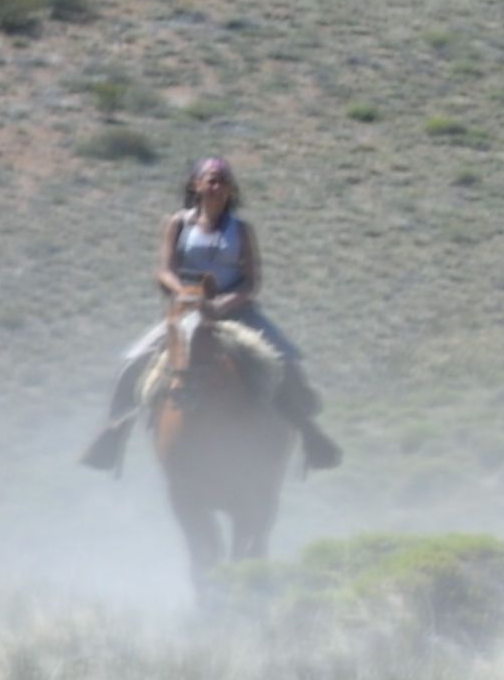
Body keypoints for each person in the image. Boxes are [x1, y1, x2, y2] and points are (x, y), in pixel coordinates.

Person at [82, 156, 338, 474]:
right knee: (135, 361)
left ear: (230, 190)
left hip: (235, 313)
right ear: (196, 185)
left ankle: (312, 436)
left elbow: (251, 282)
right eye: (211, 179)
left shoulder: (241, 230)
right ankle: (112, 435)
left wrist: (220, 306)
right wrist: (187, 297)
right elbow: (164, 271)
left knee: (284, 360)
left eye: (223, 181)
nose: (217, 186)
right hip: (186, 313)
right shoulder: (178, 223)